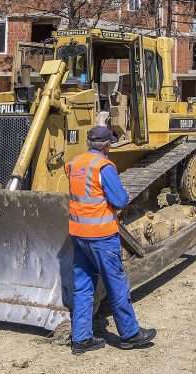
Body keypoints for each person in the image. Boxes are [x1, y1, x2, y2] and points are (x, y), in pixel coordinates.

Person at [67, 125, 157, 355]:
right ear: (107, 145)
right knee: (116, 284)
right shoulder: (104, 167)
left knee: (83, 286)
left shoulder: (75, 163)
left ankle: (81, 339)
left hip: (78, 235)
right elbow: (119, 200)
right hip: (101, 236)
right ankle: (130, 334)